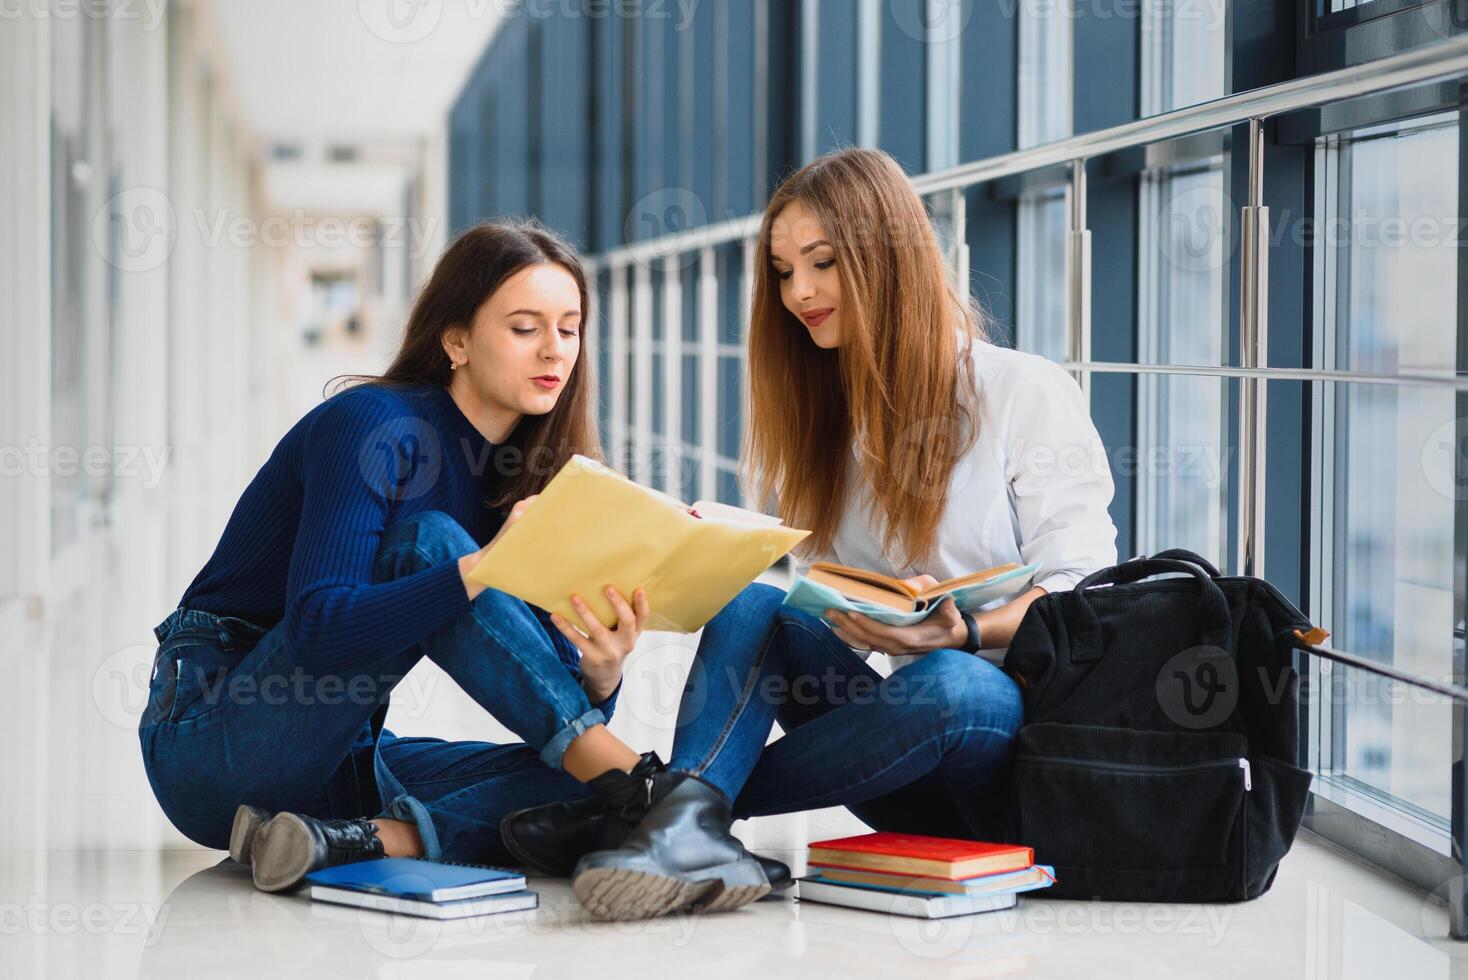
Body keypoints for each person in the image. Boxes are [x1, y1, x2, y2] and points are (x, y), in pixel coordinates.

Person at [504, 147, 1119, 920]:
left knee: (950, 683)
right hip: (900, 773)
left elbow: (1082, 594)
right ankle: (683, 819)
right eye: (784, 271)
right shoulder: (837, 431)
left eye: (822, 264)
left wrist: (965, 635)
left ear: (886, 259)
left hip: (1007, 756)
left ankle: (650, 810)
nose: (799, 293)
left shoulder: (1021, 393)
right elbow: (827, 615)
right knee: (758, 606)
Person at [138, 220, 788, 894]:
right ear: (456, 341)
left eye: (569, 329)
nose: (554, 351)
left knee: (571, 779)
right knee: (431, 544)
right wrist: (481, 568)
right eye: (524, 327)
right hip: (217, 741)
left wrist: (601, 674)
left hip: (335, 768)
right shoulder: (372, 425)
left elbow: (551, 702)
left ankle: (356, 841)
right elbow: (318, 627)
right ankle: (662, 796)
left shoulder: (527, 477)